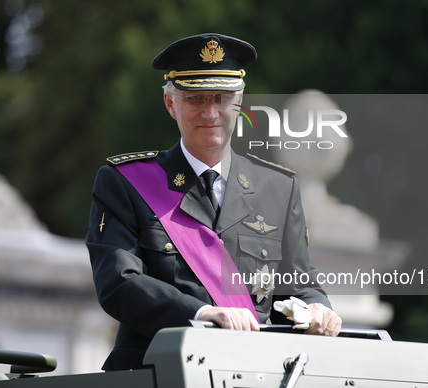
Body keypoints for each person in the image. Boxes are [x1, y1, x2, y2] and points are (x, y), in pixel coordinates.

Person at [86, 33, 342, 371]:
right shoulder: (124, 182)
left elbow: (298, 284)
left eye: (221, 98)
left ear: (239, 101)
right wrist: (200, 314)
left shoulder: (279, 188)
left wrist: (318, 308)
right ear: (170, 104)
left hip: (254, 373)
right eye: (195, 98)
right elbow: (118, 282)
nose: (210, 112)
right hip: (155, 371)